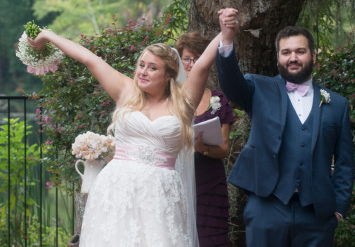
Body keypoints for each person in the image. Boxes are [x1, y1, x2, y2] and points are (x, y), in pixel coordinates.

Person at [27, 19, 235, 246]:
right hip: (117, 187)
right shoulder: (126, 91)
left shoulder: (182, 103)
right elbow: (88, 58)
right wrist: (47, 35)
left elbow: (203, 63)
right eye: (141, 65)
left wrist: (226, 32)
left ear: (168, 75)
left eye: (152, 67)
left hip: (160, 192)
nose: (143, 72)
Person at [216, 8, 355, 246]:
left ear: (312, 55)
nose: (293, 57)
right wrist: (227, 39)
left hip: (316, 215)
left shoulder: (337, 104)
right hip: (266, 208)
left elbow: (345, 161)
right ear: (278, 57)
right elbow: (230, 83)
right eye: (286, 52)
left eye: (300, 51)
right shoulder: (258, 88)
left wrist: (339, 208)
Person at [175, 32, 234, 247]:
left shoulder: (219, 99)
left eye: (198, 58)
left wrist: (203, 149)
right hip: (176, 180)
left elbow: (224, 148)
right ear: (179, 61)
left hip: (209, 182)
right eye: (188, 58)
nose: (192, 63)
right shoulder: (167, 96)